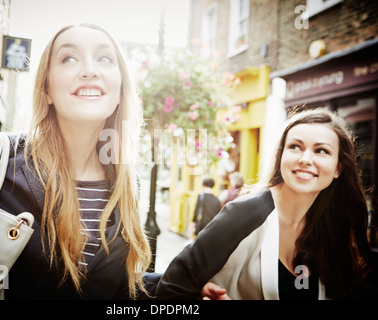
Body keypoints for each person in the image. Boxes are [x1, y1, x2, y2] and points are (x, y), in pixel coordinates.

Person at [0, 24, 154, 299]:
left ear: (119, 91)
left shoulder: (127, 184)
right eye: (69, 58)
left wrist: (185, 287)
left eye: (104, 58)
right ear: (46, 90)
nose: (90, 70)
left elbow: (115, 288)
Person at [156, 108, 378, 300]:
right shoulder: (246, 213)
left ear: (338, 168)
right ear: (281, 156)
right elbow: (171, 289)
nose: (305, 159)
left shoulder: (331, 225)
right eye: (295, 147)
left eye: (321, 151)